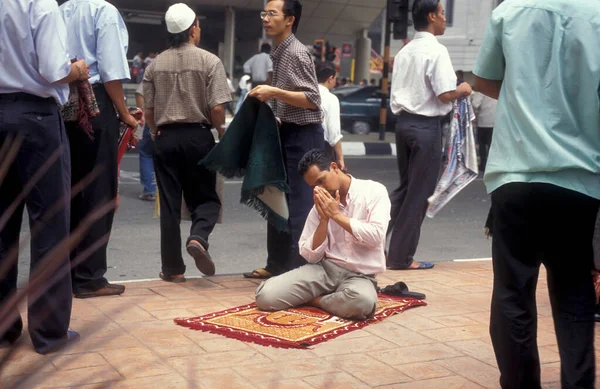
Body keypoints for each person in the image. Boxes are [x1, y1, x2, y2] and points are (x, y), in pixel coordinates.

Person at [473, 1, 600, 388]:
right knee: (575, 295)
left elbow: (483, 81)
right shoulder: (596, 14)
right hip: (578, 177)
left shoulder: (508, 11)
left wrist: (524, 97)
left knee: (513, 295)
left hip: (516, 171)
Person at [0, 0, 90, 354]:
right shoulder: (40, 4)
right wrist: (79, 69)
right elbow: (55, 70)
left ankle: (5, 327)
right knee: (50, 226)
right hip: (35, 118)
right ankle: (49, 332)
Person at [144, 3, 232, 283]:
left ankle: (172, 268)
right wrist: (221, 133)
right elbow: (218, 108)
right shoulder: (210, 61)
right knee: (206, 197)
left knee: (169, 205)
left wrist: (157, 132)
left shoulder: (154, 65)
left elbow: (148, 111)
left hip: (165, 138)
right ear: (193, 29)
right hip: (198, 137)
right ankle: (198, 236)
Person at [256, 149, 391, 320]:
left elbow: (376, 236)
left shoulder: (374, 191)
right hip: (324, 271)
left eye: (321, 181)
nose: (319, 189)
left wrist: (336, 216)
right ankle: (333, 299)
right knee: (265, 297)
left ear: (334, 167)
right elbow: (309, 255)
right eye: (314, 186)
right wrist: (324, 220)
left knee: (361, 303)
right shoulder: (321, 204)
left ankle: (316, 300)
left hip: (360, 275)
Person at [60, 0, 137, 298]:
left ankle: (67, 272)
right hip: (94, 103)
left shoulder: (61, 10)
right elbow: (111, 72)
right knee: (98, 192)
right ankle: (89, 277)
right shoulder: (102, 11)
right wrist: (125, 113)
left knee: (70, 191)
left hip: (64, 104)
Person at [387, 0, 472, 271]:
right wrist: (464, 89)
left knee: (404, 189)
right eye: (443, 13)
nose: (445, 19)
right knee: (419, 193)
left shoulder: (405, 51)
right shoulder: (436, 50)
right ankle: (400, 258)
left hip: (403, 126)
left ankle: (370, 243)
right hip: (425, 128)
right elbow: (445, 93)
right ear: (432, 16)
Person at [244, 0, 324, 279]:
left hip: (304, 138)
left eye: (272, 14)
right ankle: (277, 263)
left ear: (289, 20)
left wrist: (273, 93)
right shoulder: (279, 51)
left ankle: (297, 269)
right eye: (264, 13)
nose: (265, 19)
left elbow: (313, 100)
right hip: (286, 132)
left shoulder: (297, 52)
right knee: (276, 200)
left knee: (300, 205)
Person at [316, 62, 344, 170]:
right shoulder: (331, 99)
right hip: (322, 149)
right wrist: (340, 158)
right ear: (330, 78)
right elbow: (334, 134)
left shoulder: (303, 94)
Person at [134, 83, 156, 201]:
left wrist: (141, 114)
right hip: (178, 122)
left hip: (154, 119)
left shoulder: (154, 68)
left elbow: (140, 92)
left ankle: (150, 189)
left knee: (147, 153)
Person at [470, 91, 497, 173]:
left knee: (482, 145)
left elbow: (475, 104)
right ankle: (492, 165)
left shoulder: (482, 90)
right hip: (496, 121)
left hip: (483, 121)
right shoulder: (497, 88)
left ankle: (483, 165)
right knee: (492, 145)